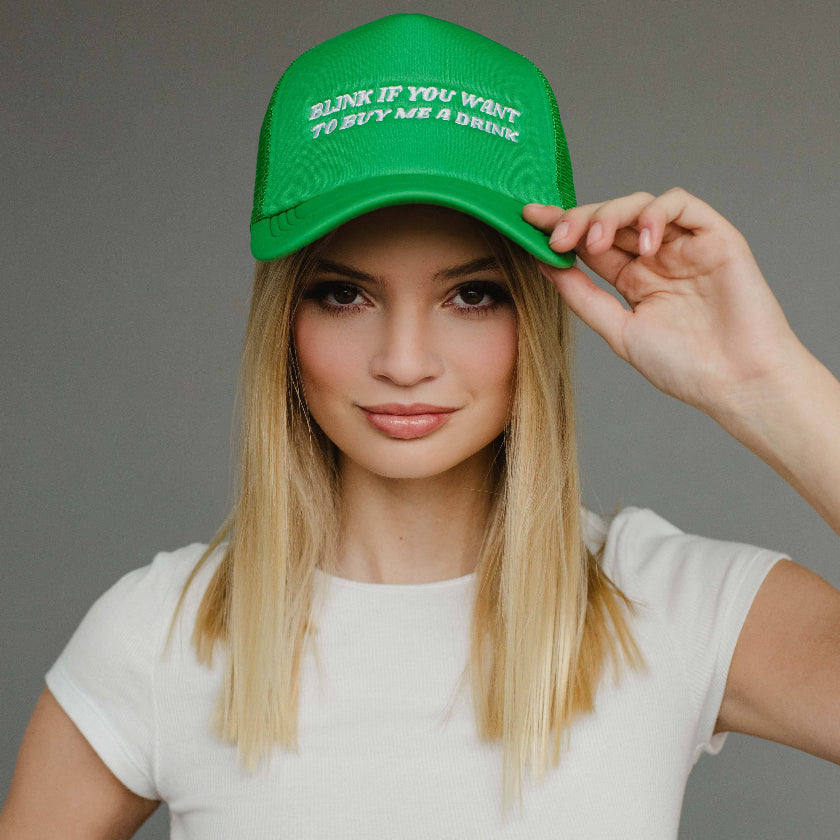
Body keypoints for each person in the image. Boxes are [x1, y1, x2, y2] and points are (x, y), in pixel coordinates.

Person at [2, 13, 839, 840]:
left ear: (536, 316)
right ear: (285, 323)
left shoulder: (670, 606)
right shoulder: (159, 634)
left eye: (472, 295)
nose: (405, 361)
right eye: (344, 294)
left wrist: (765, 386)